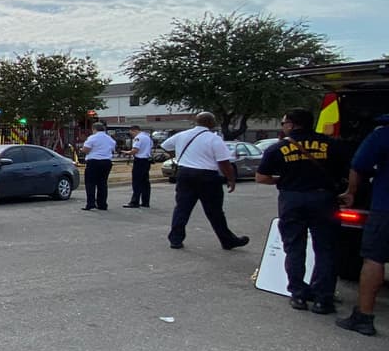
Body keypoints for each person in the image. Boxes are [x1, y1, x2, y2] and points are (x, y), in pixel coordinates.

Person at [256, 109, 345, 313]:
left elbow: (261, 177)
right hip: (324, 199)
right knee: (326, 249)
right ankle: (323, 299)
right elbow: (347, 170)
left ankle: (298, 294)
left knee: (294, 247)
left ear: (292, 124)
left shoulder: (278, 148)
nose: (283, 126)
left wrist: (284, 179)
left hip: (292, 200)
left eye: (283, 123)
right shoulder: (332, 145)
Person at [161, 112, 250, 251]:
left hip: (185, 174)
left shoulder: (182, 135)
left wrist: (178, 155)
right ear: (210, 122)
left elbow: (165, 146)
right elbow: (224, 162)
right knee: (215, 211)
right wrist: (231, 179)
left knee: (182, 208)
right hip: (207, 176)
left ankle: (175, 239)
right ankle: (227, 241)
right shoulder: (214, 139)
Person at [336, 115, 389, 336]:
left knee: (374, 259)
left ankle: (364, 317)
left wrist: (351, 192)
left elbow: (358, 165)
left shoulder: (383, 134)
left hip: (385, 208)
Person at [80, 121, 116, 210]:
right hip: (106, 162)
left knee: (90, 183)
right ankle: (102, 204)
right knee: (102, 183)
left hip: (94, 162)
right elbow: (112, 149)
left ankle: (91, 203)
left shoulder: (92, 138)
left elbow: (86, 150)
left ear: (94, 129)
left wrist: (82, 150)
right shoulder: (110, 139)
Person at [124, 124, 153, 208]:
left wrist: (126, 152)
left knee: (137, 182)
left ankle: (135, 202)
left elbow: (135, 150)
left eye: (131, 133)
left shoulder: (138, 138)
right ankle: (145, 202)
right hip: (147, 160)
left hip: (139, 161)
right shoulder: (147, 137)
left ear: (135, 130)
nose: (131, 135)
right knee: (145, 182)